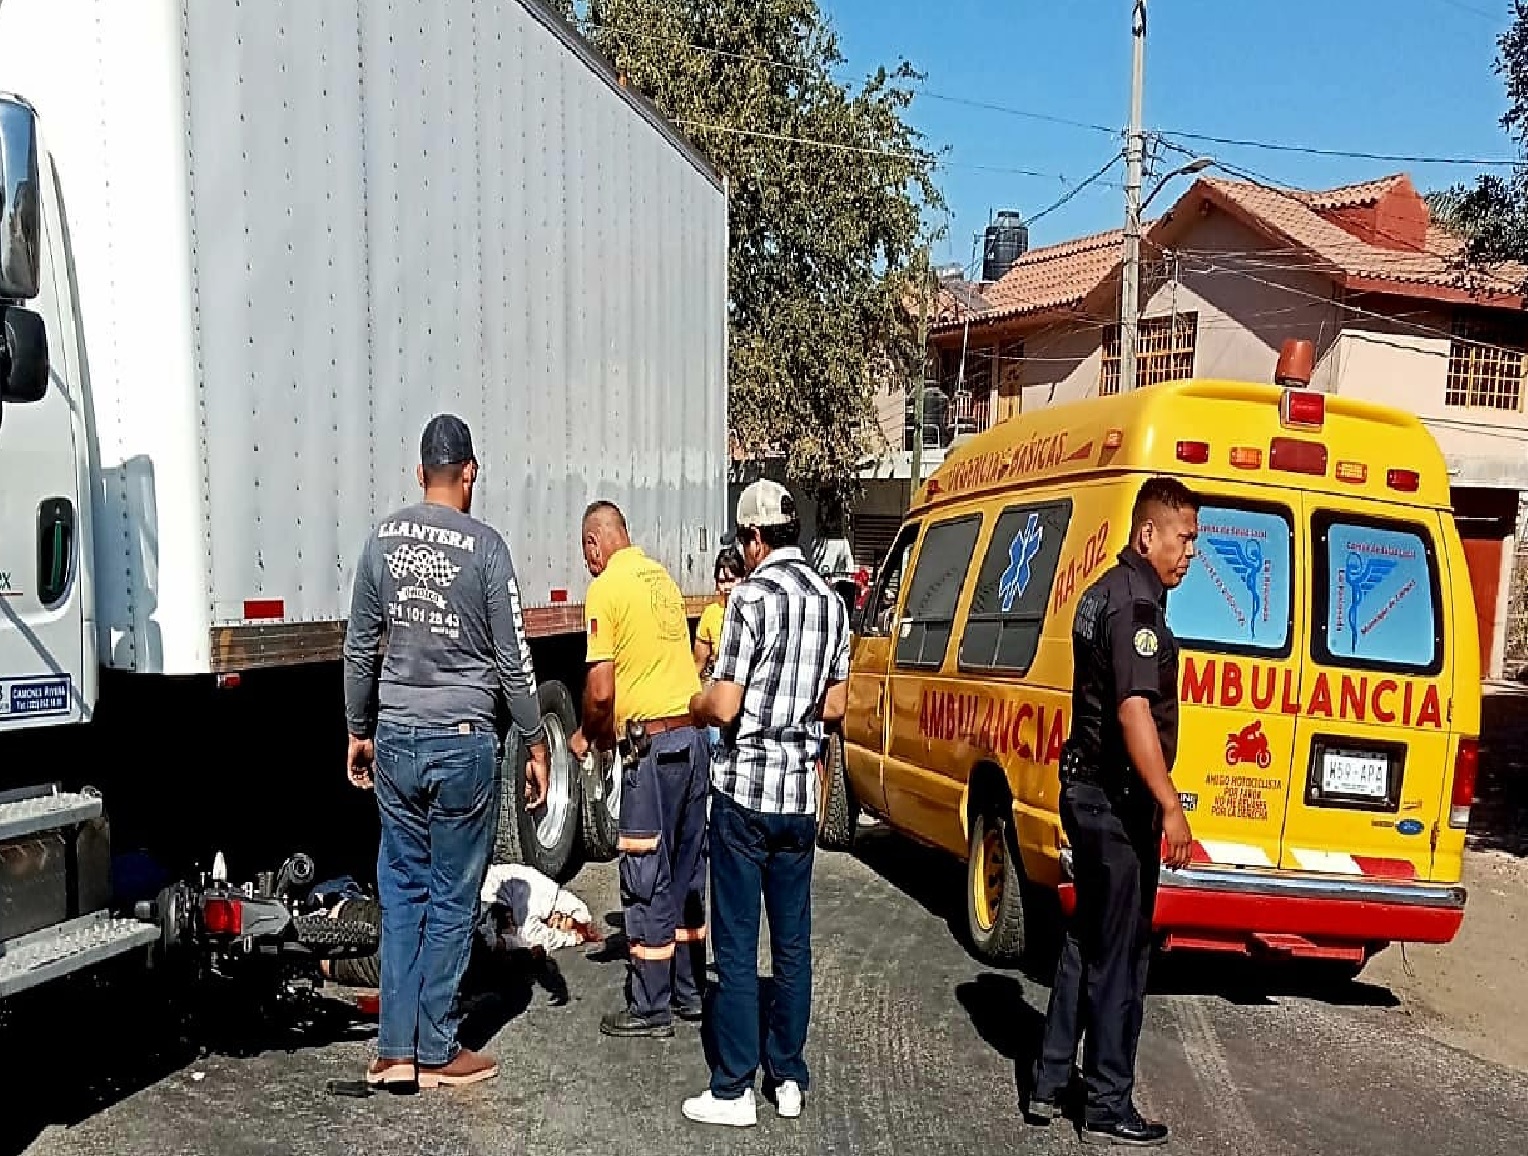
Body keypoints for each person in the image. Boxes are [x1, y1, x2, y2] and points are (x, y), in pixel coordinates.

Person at [343, 413, 549, 1090]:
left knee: (401, 894)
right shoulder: (485, 549)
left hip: (397, 739)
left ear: (418, 472)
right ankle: (435, 1049)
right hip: (463, 743)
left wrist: (357, 727)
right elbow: (514, 661)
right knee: (453, 897)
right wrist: (535, 739)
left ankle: (392, 1051)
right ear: (469, 473)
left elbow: (359, 646)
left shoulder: (382, 540)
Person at [1028, 476, 1199, 1146]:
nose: (1189, 553)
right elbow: (1134, 712)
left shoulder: (1105, 590)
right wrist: (1169, 805)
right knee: (1122, 955)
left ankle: (1047, 1082)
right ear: (1146, 534)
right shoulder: (1135, 608)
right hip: (1114, 802)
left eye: (1194, 540)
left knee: (1085, 940)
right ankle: (1106, 1100)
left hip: (1088, 791)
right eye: (1182, 538)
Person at [682, 479, 851, 1129]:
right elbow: (835, 706)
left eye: (743, 541)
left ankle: (732, 1089)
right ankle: (787, 1076)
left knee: (735, 941)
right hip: (798, 798)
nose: (743, 553)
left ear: (755, 538)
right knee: (792, 943)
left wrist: (699, 700)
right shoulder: (831, 602)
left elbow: (722, 705)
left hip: (745, 791)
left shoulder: (750, 598)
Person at [567, 501, 709, 1038]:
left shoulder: (606, 588)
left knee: (647, 874)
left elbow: (601, 689)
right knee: (687, 870)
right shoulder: (661, 579)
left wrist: (589, 736)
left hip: (651, 752)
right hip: (693, 743)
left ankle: (650, 1007)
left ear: (594, 544)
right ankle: (689, 992)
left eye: (586, 552)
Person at [693, 547, 746, 681]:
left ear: (743, 579)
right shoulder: (711, 613)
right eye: (722, 582)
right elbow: (699, 662)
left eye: (732, 580)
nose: (727, 587)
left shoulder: (752, 610)